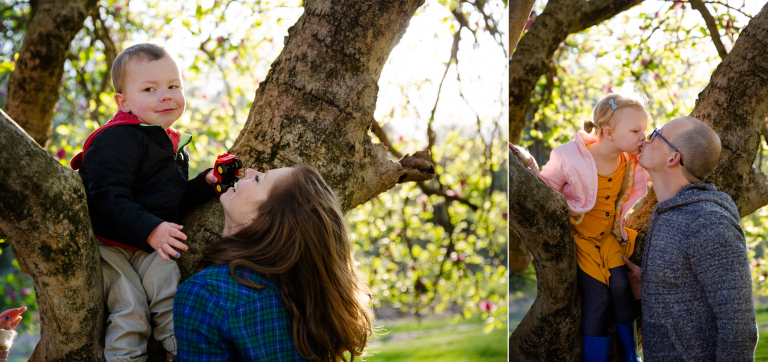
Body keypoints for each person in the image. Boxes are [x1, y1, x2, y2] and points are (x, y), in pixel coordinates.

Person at [71, 43, 219, 361]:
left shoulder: (171, 144)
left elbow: (173, 201)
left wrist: (208, 183)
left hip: (144, 240)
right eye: (150, 89)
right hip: (107, 241)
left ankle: (176, 347)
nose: (165, 95)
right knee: (130, 305)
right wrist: (151, 229)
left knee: (168, 283)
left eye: (173, 86)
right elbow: (108, 198)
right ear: (123, 101)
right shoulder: (116, 139)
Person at [174, 165, 373, 362]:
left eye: (259, 179)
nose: (249, 170)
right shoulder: (308, 294)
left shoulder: (206, 293)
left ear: (261, 219)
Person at [512, 87, 648, 362]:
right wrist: (529, 165)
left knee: (622, 288)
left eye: (644, 129)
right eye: (636, 131)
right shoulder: (569, 156)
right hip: (582, 240)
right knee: (597, 299)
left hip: (609, 238)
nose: (643, 136)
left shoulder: (631, 159)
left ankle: (631, 356)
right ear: (609, 133)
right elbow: (544, 190)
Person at [622, 116, 757, 361]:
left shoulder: (708, 222)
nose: (645, 139)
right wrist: (648, 283)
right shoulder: (670, 212)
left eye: (656, 135)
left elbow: (738, 327)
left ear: (673, 158)